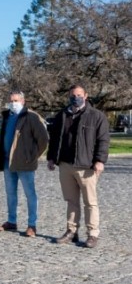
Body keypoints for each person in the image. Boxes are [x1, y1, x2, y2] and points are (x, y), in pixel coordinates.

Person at [47, 84, 110, 248]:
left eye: (79, 94)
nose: (76, 97)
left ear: (86, 95)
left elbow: (103, 140)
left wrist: (100, 161)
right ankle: (71, 231)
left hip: (86, 166)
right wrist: (51, 158)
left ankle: (92, 234)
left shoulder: (96, 116)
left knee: (90, 202)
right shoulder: (62, 115)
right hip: (66, 165)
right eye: (73, 95)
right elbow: (54, 138)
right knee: (71, 201)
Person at [0, 91, 49, 237]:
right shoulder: (7, 117)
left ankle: (32, 225)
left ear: (23, 101)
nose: (13, 103)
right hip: (8, 162)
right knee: (10, 194)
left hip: (25, 163)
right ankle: (12, 221)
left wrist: (32, 156)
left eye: (16, 100)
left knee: (30, 194)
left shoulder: (31, 117)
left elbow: (43, 139)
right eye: (11, 101)